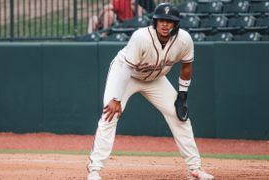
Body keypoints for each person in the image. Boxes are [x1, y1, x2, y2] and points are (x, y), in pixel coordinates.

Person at [87, 3, 215, 180]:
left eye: (169, 21)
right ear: (155, 21)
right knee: (110, 114)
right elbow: (125, 70)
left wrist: (182, 96)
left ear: (175, 24)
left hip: (155, 79)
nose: (164, 24)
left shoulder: (184, 40)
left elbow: (186, 66)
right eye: (161, 20)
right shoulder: (141, 37)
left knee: (180, 116)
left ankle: (195, 169)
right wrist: (116, 98)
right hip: (126, 74)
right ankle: (94, 170)